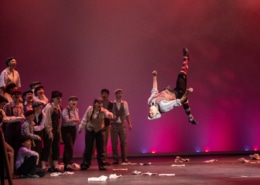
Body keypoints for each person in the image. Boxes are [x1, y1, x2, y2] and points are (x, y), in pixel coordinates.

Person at [147, 48, 197, 124]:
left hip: (171, 91)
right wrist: (187, 92)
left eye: (149, 114)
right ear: (157, 113)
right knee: (181, 75)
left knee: (185, 101)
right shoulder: (163, 107)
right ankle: (186, 57)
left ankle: (190, 117)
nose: (150, 112)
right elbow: (178, 102)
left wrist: (154, 76)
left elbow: (154, 90)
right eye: (152, 114)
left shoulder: (150, 101)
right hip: (178, 94)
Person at [78, 97, 114, 171]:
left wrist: (110, 115)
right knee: (89, 148)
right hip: (90, 130)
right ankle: (86, 163)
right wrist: (80, 127)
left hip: (99, 130)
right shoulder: (90, 109)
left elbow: (108, 114)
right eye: (98, 103)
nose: (99, 104)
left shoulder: (103, 111)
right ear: (94, 103)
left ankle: (101, 164)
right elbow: (85, 118)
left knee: (101, 148)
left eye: (101, 103)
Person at [41, 91, 62, 172]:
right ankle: (43, 165)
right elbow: (47, 120)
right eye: (57, 98)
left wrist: (58, 132)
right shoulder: (49, 107)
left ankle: (55, 165)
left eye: (60, 98)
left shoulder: (58, 107)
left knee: (56, 147)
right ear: (53, 99)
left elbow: (58, 120)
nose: (59, 100)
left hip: (56, 130)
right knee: (47, 147)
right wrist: (49, 131)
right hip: (49, 130)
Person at [111, 89, 133, 165]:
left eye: (121, 93)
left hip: (122, 124)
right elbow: (109, 114)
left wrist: (129, 123)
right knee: (114, 143)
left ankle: (124, 159)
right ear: (115, 94)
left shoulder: (125, 103)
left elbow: (127, 114)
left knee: (123, 142)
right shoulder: (112, 103)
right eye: (118, 93)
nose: (120, 95)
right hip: (114, 124)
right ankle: (115, 159)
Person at [61, 96, 80, 171]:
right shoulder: (66, 110)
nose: (74, 102)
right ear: (69, 102)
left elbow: (76, 121)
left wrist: (78, 128)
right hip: (66, 129)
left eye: (75, 100)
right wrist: (76, 120)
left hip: (73, 129)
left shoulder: (76, 110)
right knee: (69, 146)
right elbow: (66, 120)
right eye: (72, 100)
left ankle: (67, 162)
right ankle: (67, 164)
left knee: (69, 146)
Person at [0, 95, 15, 177]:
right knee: (10, 151)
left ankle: (8, 173)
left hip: (1, 135)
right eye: (2, 104)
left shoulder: (1, 111)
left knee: (9, 151)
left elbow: (7, 119)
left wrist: (17, 118)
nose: (3, 106)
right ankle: (8, 174)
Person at [100, 88, 113, 165]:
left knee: (105, 143)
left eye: (105, 93)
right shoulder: (99, 103)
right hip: (99, 125)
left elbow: (112, 114)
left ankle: (104, 160)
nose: (103, 95)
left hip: (107, 125)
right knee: (99, 143)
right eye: (102, 93)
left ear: (108, 95)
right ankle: (100, 159)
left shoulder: (111, 104)